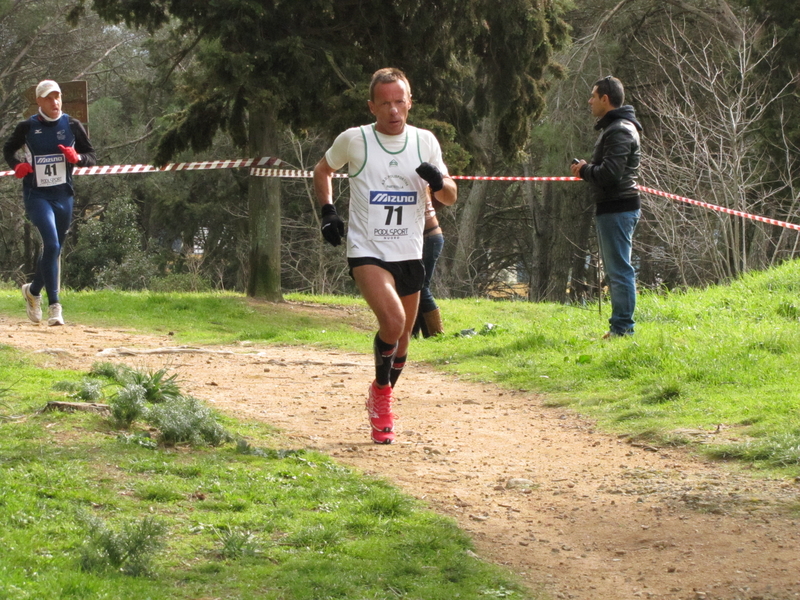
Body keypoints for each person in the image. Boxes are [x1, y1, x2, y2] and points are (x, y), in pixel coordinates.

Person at [313, 67, 457, 444]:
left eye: (400, 101)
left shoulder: (424, 141)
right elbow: (323, 170)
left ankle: (381, 397)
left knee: (405, 338)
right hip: (367, 250)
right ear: (372, 106)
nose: (394, 110)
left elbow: (450, 196)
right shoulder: (355, 140)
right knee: (392, 322)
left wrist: (439, 181)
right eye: (385, 103)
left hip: (410, 250)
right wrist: (328, 212)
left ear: (410, 102)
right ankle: (381, 397)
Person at [4, 79, 96, 326]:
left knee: (54, 249)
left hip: (63, 195)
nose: (55, 102)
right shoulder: (27, 126)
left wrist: (77, 158)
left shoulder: (72, 125)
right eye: (49, 97)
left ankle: (33, 292)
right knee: (51, 243)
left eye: (58, 97)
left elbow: (91, 156)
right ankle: (55, 306)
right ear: (39, 101)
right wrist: (17, 166)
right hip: (37, 195)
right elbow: (8, 150)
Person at [570, 75, 642, 338]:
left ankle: (623, 329)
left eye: (593, 95)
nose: (589, 101)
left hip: (618, 207)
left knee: (620, 271)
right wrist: (589, 169)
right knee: (617, 270)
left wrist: (584, 170)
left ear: (605, 99)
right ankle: (620, 327)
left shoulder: (620, 129)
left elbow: (610, 173)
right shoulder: (616, 128)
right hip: (614, 207)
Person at [412, 194, 445, 338]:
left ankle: (435, 334)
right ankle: (413, 332)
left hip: (429, 237)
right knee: (413, 286)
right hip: (418, 237)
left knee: (421, 286)